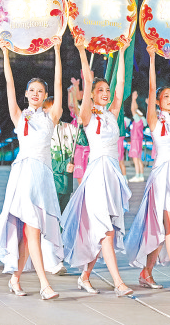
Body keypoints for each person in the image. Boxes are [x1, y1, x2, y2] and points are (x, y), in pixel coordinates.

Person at [61, 35, 133, 297]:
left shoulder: (112, 114)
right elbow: (88, 81)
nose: (105, 93)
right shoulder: (87, 116)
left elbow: (120, 84)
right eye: (100, 91)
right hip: (95, 176)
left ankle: (85, 276)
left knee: (104, 230)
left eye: (106, 91)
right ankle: (119, 283)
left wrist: (122, 51)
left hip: (112, 176)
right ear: (91, 95)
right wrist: (82, 51)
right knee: (107, 232)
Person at [0, 37, 64, 300]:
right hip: (23, 176)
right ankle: (45, 285)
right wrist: (4, 53)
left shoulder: (51, 116)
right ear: (26, 94)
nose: (35, 94)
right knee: (32, 228)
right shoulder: (19, 115)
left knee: (30, 232)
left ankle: (15, 279)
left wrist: (57, 50)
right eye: (32, 90)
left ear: (46, 96)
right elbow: (9, 83)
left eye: (40, 91)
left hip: (42, 177)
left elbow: (59, 83)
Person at [124, 46, 170, 293]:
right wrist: (153, 59)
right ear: (157, 101)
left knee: (164, 227)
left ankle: (146, 272)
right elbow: (151, 87)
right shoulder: (154, 120)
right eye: (166, 97)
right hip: (162, 177)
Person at [47, 97, 76, 213]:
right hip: (52, 183)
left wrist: (82, 123)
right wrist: (64, 166)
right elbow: (45, 160)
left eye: (59, 107)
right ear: (45, 110)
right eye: (53, 107)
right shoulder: (43, 130)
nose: (57, 110)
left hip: (67, 183)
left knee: (63, 216)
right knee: (52, 216)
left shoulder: (69, 128)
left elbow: (83, 141)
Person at [128, 91, 145, 182]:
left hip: (135, 141)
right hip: (138, 141)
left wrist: (133, 99)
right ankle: (141, 176)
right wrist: (134, 101)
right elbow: (135, 109)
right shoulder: (141, 120)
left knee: (135, 158)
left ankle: (137, 175)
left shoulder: (138, 120)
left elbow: (133, 110)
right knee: (138, 159)